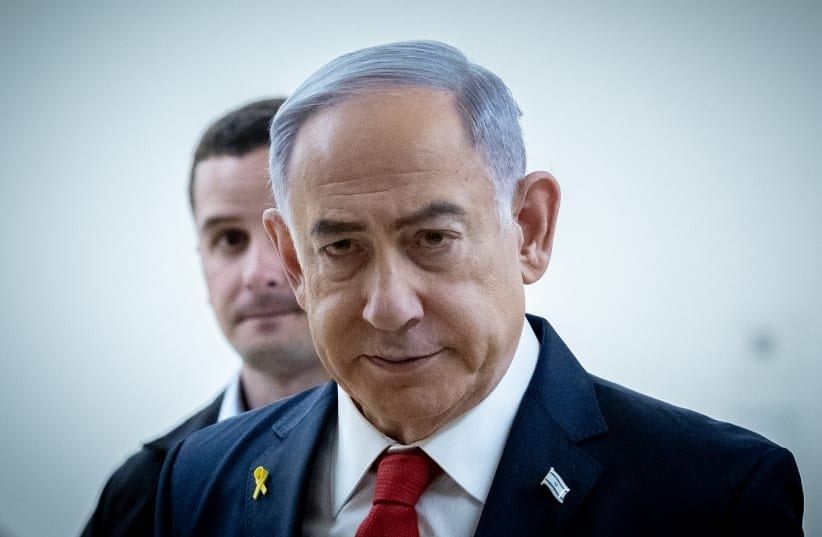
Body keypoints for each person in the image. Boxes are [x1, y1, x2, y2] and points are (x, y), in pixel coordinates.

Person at [156, 41, 804, 536]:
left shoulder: (716, 496)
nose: (389, 307)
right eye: (342, 248)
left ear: (530, 229)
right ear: (295, 263)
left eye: (433, 239)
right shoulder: (199, 480)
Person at [81, 98, 327, 537]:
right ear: (201, 256)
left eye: (288, 233)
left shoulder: (416, 467)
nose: (259, 275)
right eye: (229, 239)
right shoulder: (144, 493)